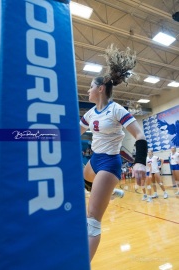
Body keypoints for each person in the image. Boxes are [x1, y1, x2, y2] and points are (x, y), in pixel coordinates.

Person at [80, 45, 147, 262]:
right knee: (72, 170)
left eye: (91, 87)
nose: (87, 91)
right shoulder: (90, 113)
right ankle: (110, 192)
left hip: (109, 164)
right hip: (94, 162)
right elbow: (72, 133)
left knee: (92, 220)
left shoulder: (117, 110)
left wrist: (139, 162)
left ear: (100, 89)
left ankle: (82, 265)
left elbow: (139, 136)